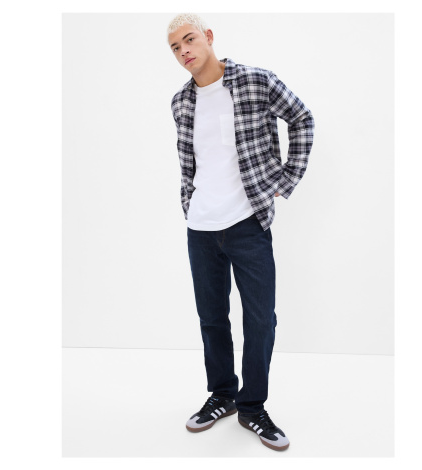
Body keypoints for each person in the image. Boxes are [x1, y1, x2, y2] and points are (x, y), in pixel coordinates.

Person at [168, 13, 314, 452]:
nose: (184, 51)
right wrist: (189, 203)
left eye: (189, 39)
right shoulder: (180, 102)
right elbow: (191, 162)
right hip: (200, 227)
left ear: (209, 37)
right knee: (212, 319)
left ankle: (252, 406)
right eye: (175, 47)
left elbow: (302, 118)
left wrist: (286, 179)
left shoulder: (257, 81)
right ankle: (223, 395)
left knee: (261, 319)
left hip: (248, 224)